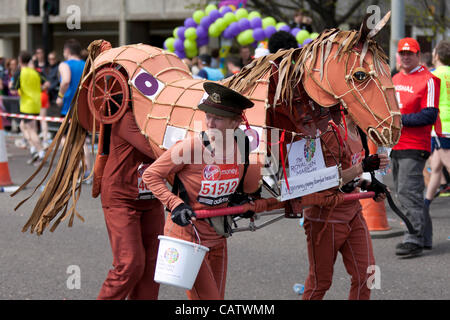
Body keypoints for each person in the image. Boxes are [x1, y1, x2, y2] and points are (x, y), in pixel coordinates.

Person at [143, 82, 260, 300]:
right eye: (208, 115)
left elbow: (239, 185)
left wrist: (241, 202)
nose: (210, 122)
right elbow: (151, 175)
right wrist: (174, 204)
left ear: (235, 123)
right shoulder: (191, 146)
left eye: (218, 118)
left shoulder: (241, 145)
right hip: (188, 237)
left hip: (218, 234)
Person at [301, 109, 389, 300]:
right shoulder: (331, 132)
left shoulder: (360, 131)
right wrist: (363, 167)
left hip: (353, 211)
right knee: (320, 282)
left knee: (367, 275)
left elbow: (351, 177)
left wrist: (370, 185)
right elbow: (327, 181)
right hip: (325, 217)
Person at [96, 103, 165, 300]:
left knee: (152, 267)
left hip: (151, 198)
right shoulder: (126, 117)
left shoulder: (159, 114)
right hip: (121, 196)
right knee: (130, 263)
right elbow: (156, 149)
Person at [392, 37, 441, 256]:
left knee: (407, 192)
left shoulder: (428, 79)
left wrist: (399, 120)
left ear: (418, 55)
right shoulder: (393, 78)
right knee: (408, 192)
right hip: (395, 144)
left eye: (409, 53)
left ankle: (413, 239)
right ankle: (425, 237)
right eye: (402, 53)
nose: (405, 56)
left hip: (415, 144)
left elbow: (430, 114)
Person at [56, 39, 92, 178]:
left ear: (66, 51)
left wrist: (60, 95)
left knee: (65, 138)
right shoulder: (86, 65)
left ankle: (71, 168)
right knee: (82, 140)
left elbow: (65, 80)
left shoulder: (64, 64)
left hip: (69, 107)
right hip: (84, 107)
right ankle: (86, 170)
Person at [424, 40, 450, 227]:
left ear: (437, 56)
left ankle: (425, 204)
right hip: (445, 126)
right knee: (436, 167)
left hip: (441, 126)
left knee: (444, 164)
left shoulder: (433, 74)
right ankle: (425, 204)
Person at [11, 51, 46, 164]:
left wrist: (13, 88)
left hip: (27, 105)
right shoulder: (35, 72)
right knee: (23, 126)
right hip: (36, 103)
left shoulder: (19, 73)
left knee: (30, 130)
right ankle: (33, 148)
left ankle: (40, 152)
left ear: (20, 60)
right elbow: (46, 84)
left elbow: (13, 90)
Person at [33, 47, 51, 146]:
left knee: (40, 119)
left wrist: (39, 88)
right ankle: (40, 140)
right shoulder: (35, 69)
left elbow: (47, 83)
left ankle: (43, 140)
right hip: (36, 97)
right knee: (37, 120)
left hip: (40, 96)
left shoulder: (40, 70)